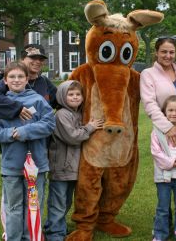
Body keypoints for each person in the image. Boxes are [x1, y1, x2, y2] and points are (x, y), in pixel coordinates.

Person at [0, 44, 58, 239]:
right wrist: (11, 134)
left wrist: (24, 131)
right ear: (5, 81)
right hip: (11, 165)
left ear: (27, 79)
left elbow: (49, 124)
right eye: (12, 77)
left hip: (37, 165)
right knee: (14, 206)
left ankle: (30, 237)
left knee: (33, 206)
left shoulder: (38, 100)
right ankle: (14, 237)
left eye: (20, 77)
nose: (16, 80)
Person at [140, 37, 176, 236]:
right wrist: (166, 127)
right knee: (167, 185)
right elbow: (150, 104)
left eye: (171, 52)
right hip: (164, 131)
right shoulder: (148, 74)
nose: (168, 56)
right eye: (163, 52)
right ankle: (162, 227)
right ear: (156, 52)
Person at [44, 80, 103, 241]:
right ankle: (54, 234)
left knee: (66, 200)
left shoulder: (77, 113)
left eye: (78, 94)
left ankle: (55, 226)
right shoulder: (62, 114)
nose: (75, 97)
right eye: (70, 94)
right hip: (61, 166)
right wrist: (90, 127)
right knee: (58, 201)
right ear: (63, 97)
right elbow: (73, 137)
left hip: (72, 167)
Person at [151, 95, 176, 241]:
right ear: (164, 111)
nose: (174, 113)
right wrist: (170, 163)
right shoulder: (157, 130)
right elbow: (156, 152)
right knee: (162, 208)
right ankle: (160, 234)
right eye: (170, 110)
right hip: (163, 176)